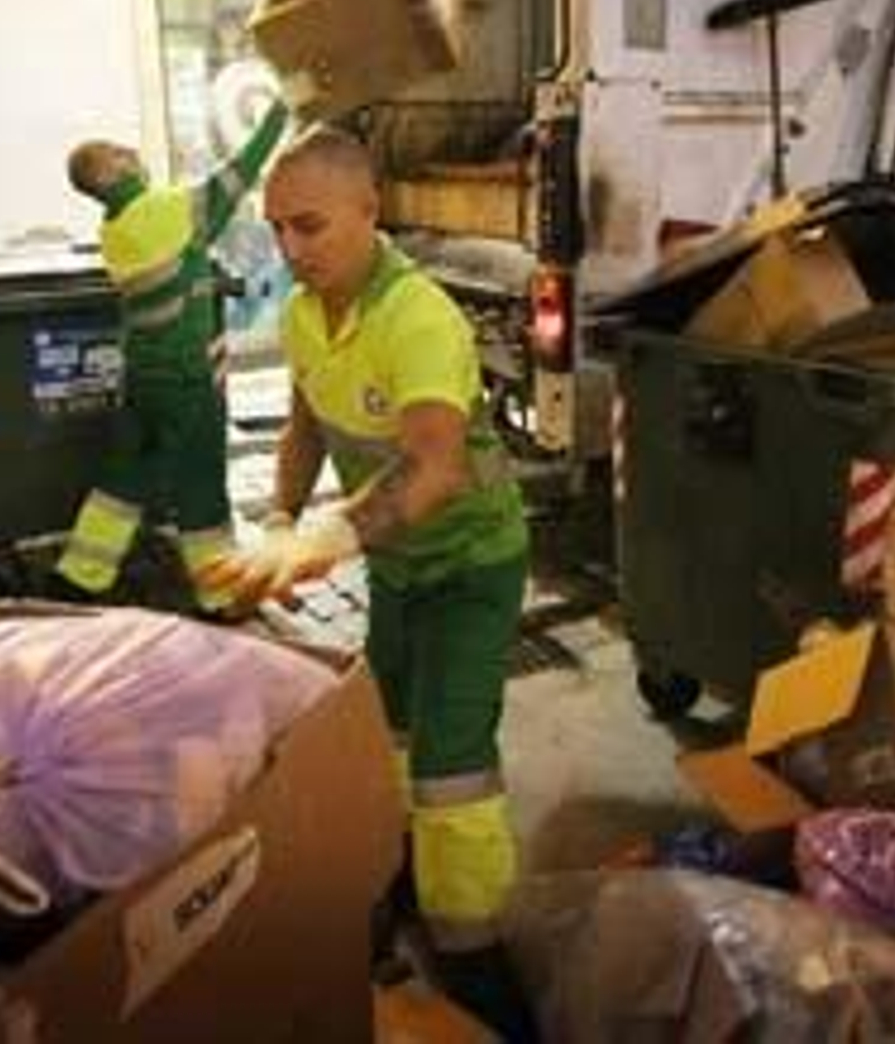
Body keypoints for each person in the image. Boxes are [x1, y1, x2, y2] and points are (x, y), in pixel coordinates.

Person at [203, 125, 535, 1039]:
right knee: (381, 735)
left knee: (451, 766)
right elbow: (306, 425)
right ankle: (391, 882)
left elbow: (435, 470)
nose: (291, 250)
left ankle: (474, 953)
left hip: (471, 567)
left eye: (309, 226)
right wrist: (277, 519)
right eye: (277, 231)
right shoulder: (308, 314)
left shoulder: (417, 317)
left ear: (367, 211)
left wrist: (323, 538)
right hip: (395, 569)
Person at [52, 99, 289, 609]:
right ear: (111, 171)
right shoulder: (166, 211)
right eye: (121, 150)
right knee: (200, 481)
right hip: (185, 378)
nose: (133, 151)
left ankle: (82, 571)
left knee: (125, 474)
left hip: (140, 374)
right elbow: (240, 174)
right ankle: (222, 594)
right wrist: (279, 112)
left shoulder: (113, 232)